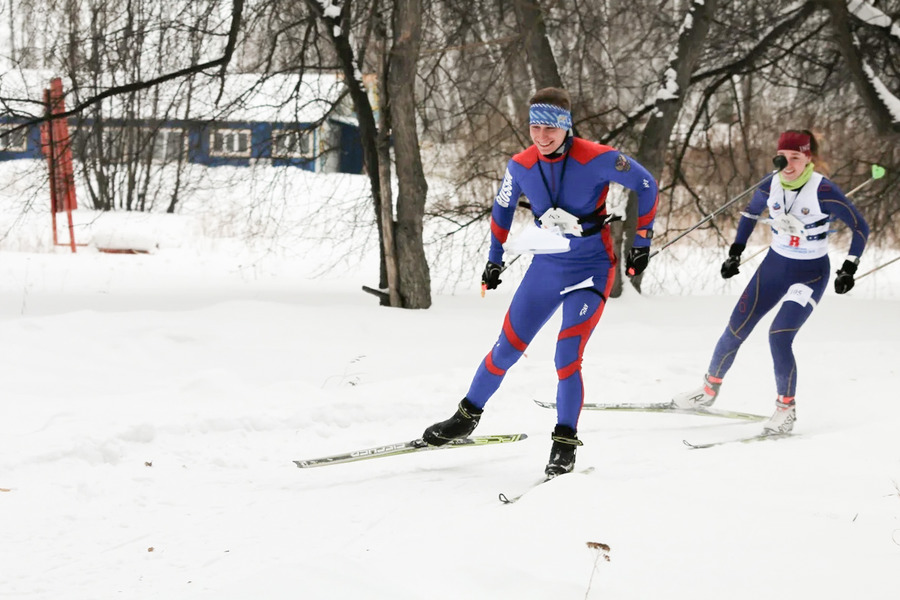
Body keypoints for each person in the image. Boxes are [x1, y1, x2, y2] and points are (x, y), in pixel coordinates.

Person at [421, 87, 659, 476]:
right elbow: (502, 206)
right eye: (535, 126)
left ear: (566, 127)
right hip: (546, 267)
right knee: (506, 349)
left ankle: (564, 443)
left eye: (550, 128)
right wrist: (494, 260)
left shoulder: (597, 158)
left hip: (592, 268)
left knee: (566, 355)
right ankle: (465, 417)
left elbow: (646, 184)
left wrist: (641, 240)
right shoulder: (520, 165)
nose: (541, 136)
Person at [672, 129, 869, 434]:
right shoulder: (770, 183)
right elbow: (750, 215)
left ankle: (785, 409)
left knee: (779, 335)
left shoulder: (823, 190)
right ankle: (707, 391)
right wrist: (735, 253)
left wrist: (849, 267)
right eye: (783, 157)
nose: (788, 164)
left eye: (796, 157)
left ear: (808, 157)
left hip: (811, 273)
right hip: (774, 268)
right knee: (736, 328)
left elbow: (860, 227)